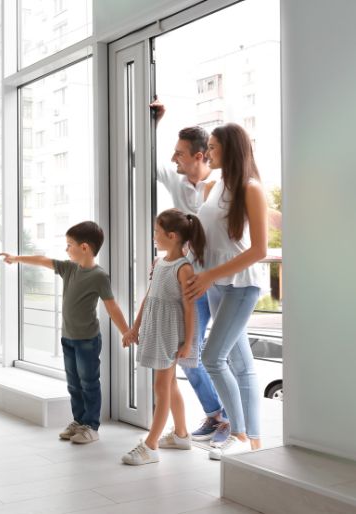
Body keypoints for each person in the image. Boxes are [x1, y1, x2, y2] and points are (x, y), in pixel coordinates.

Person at [0, 221, 129, 444]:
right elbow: (42, 260)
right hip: (68, 338)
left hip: (87, 340)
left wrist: (126, 331)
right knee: (73, 383)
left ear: (85, 248)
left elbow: (112, 306)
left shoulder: (99, 276)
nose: (66, 249)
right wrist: (16, 258)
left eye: (69, 245)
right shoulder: (69, 268)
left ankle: (91, 426)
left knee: (89, 382)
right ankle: (78, 421)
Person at [184, 123, 268, 460]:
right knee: (240, 361)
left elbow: (259, 249)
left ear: (230, 149)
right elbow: (206, 240)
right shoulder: (214, 187)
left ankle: (238, 433)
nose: (209, 152)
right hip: (215, 282)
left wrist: (209, 276)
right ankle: (254, 440)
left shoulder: (251, 189)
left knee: (212, 357)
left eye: (214, 147)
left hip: (241, 284)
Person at [150, 99, 229, 446]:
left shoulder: (222, 187)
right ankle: (216, 416)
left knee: (221, 356)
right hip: (190, 282)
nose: (174, 159)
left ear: (201, 156)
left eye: (181, 153)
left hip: (222, 282)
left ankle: (232, 422)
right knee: (188, 355)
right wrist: (154, 121)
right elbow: (150, 161)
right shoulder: (176, 182)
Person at [121, 208, 207, 465]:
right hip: (154, 329)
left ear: (171, 235)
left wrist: (189, 342)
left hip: (171, 335)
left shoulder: (183, 269)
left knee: (160, 387)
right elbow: (149, 298)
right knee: (169, 385)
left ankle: (151, 445)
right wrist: (134, 328)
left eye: (157, 232)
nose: (154, 236)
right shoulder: (159, 263)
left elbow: (190, 308)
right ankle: (181, 435)